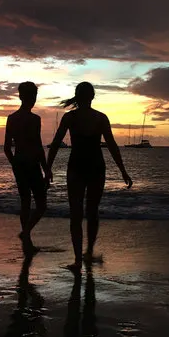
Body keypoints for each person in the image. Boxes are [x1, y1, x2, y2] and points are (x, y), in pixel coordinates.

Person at [47, 82, 132, 271]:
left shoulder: (70, 118)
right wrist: (122, 170)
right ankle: (89, 252)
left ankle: (78, 259)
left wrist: (48, 169)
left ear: (77, 97)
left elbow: (55, 144)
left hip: (77, 167)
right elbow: (112, 145)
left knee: (76, 214)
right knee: (92, 212)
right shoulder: (100, 118)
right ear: (92, 97)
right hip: (96, 167)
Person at [4, 82, 51, 253]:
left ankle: (27, 239)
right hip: (32, 164)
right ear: (30, 97)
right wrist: (46, 168)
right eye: (33, 96)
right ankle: (26, 234)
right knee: (41, 205)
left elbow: (7, 148)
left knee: (25, 202)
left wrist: (14, 164)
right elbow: (38, 146)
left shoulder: (12, 118)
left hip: (19, 163)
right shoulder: (34, 120)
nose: (33, 99)